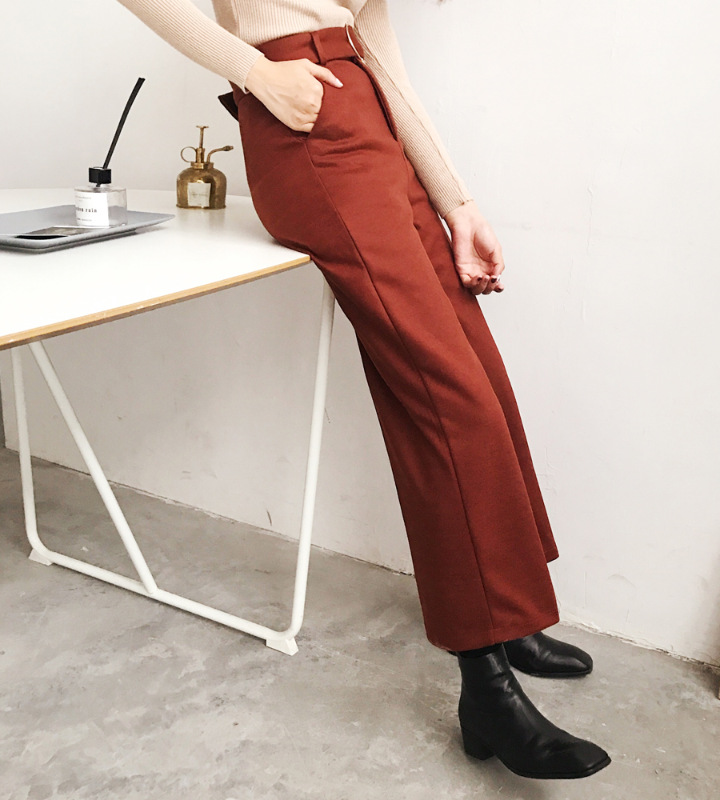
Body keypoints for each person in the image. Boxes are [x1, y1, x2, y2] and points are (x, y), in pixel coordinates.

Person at [115, 0, 611, 780]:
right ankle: (485, 686)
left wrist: (457, 203)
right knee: (449, 398)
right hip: (306, 128)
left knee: (480, 370)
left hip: (371, 121)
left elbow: (377, 48)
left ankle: (511, 613)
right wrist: (254, 73)